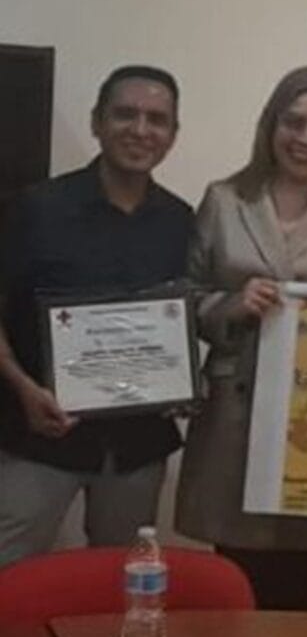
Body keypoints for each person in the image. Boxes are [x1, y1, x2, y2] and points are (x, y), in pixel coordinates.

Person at [175, 66, 307, 609]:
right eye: (294, 122)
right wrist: (231, 304)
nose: (306, 139)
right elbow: (182, 302)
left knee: (296, 576)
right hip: (233, 410)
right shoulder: (225, 200)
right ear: (271, 125)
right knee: (235, 573)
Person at [0, 65, 193, 566]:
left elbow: (185, 313)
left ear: (173, 134)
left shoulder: (181, 220)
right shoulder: (34, 208)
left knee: (121, 583)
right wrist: (24, 389)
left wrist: (181, 381)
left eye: (157, 119)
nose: (140, 130)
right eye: (125, 114)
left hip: (136, 448)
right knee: (9, 574)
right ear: (97, 122)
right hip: (39, 437)